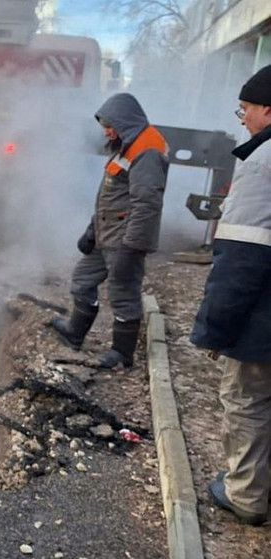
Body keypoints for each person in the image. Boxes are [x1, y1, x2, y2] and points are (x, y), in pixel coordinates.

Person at [190, 64, 271, 526]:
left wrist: (215, 328)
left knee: (246, 398)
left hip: (262, 317)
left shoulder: (261, 163)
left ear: (267, 108)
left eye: (245, 109)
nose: (242, 118)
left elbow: (241, 256)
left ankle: (245, 494)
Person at [48, 93, 169, 369]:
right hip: (108, 234)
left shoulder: (147, 149)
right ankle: (74, 333)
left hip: (124, 238)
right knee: (82, 278)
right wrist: (92, 231)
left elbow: (147, 204)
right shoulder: (126, 145)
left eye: (109, 125)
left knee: (123, 291)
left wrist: (131, 247)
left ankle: (122, 354)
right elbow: (111, 196)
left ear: (124, 121)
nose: (106, 130)